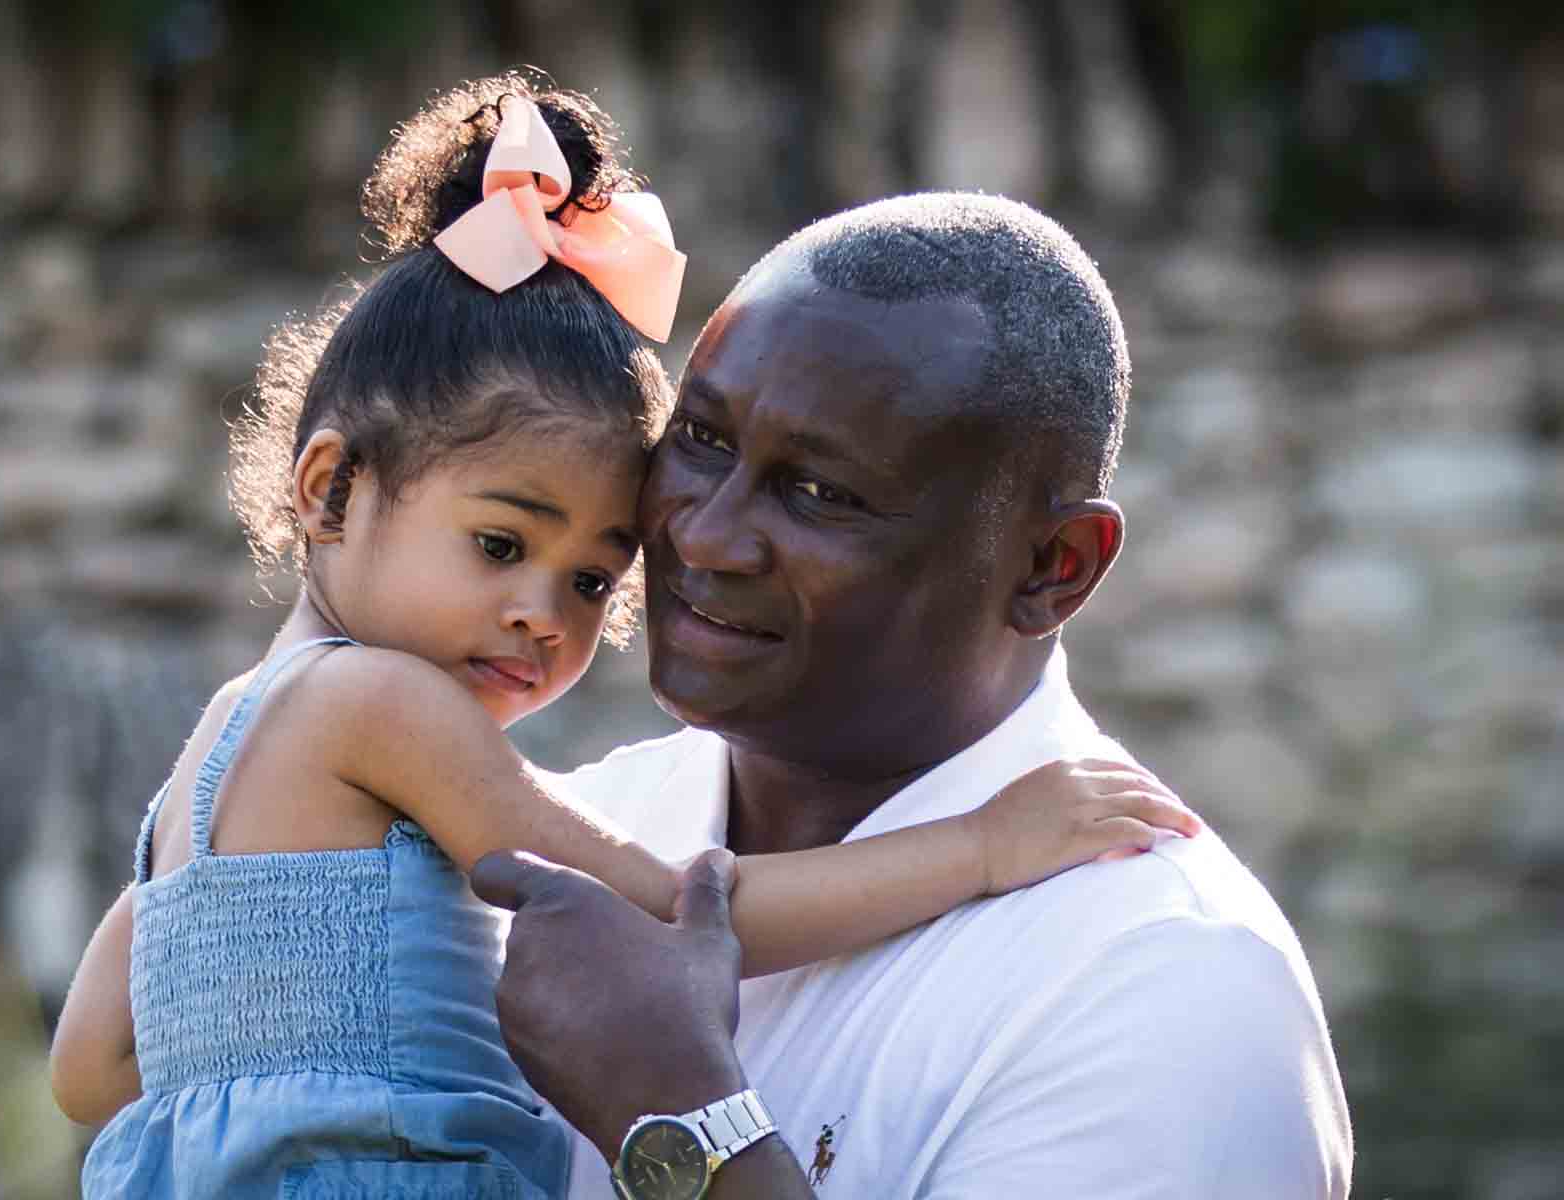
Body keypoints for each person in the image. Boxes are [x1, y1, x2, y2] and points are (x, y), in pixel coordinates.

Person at [46, 78, 1198, 1199]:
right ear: (331, 487)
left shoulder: (215, 755)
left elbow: (89, 1069)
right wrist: (984, 849)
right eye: (502, 546)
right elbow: (679, 916)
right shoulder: (383, 708)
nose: (545, 614)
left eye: (596, 576)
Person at [474, 193, 1355, 1199]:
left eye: (820, 493)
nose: (706, 537)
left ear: (1052, 568)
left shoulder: (1160, 982)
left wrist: (679, 1124)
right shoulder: (588, 830)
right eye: (704, 443)